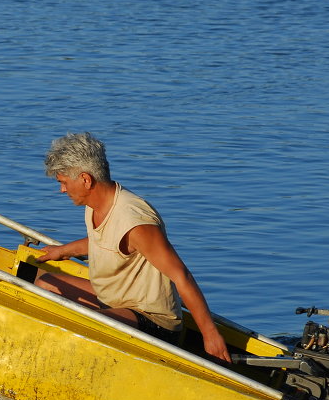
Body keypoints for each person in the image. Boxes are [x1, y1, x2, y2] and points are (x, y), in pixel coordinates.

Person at [34, 132, 232, 364]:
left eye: (64, 183)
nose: (62, 190)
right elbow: (106, 242)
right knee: (45, 283)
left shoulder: (135, 222)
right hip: (112, 301)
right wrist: (63, 250)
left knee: (86, 323)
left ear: (86, 180)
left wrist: (210, 335)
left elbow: (181, 276)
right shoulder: (94, 204)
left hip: (152, 320)